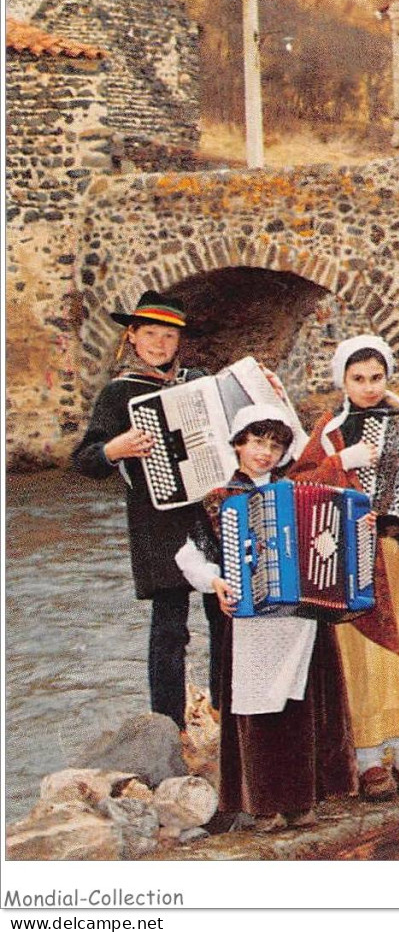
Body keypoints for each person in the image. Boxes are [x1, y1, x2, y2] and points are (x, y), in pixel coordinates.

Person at [288, 335, 399, 801]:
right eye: (358, 379)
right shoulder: (331, 431)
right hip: (354, 560)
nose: (368, 388)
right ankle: (368, 757)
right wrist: (337, 464)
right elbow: (297, 488)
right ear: (343, 381)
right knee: (364, 656)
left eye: (375, 378)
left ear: (387, 377)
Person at [174, 405, 357, 831]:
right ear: (237, 443)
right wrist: (215, 581)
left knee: (299, 707)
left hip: (298, 618)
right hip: (249, 621)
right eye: (257, 442)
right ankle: (263, 801)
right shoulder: (216, 497)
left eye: (274, 445)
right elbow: (188, 553)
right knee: (257, 711)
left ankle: (301, 797)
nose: (265, 453)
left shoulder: (298, 490)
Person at [70, 290, 224, 731]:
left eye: (168, 335)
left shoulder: (201, 381)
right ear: (132, 337)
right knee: (170, 626)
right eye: (150, 334)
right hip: (157, 519)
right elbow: (84, 460)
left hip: (209, 511)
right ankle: (168, 727)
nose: (159, 344)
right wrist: (114, 450)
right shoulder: (119, 395)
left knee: (224, 614)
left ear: (180, 341)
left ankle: (225, 713)